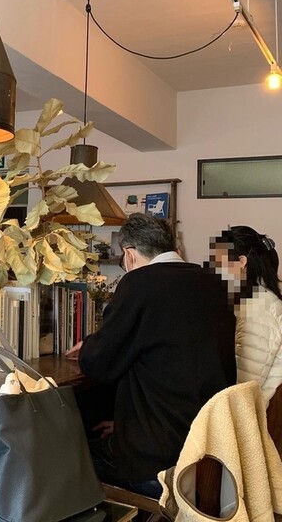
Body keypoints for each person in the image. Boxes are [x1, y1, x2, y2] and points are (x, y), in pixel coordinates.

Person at [66, 213, 236, 498]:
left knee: (67, 454)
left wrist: (89, 345)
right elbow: (178, 366)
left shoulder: (140, 283)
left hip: (156, 464)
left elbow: (98, 364)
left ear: (130, 255)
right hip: (205, 456)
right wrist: (126, 425)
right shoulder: (213, 283)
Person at [208, 225, 282, 404]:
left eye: (220, 261)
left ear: (242, 261)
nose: (215, 269)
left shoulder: (260, 307)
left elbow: (245, 382)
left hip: (247, 409)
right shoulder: (252, 299)